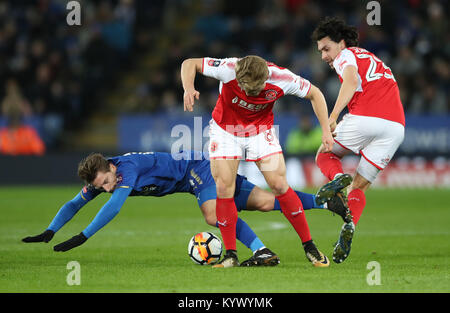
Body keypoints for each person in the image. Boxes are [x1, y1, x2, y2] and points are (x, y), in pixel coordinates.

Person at [22, 151, 348, 267]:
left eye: (106, 181)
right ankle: (326, 201)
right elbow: (73, 203)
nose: (106, 187)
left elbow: (115, 207)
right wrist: (51, 230)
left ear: (110, 166)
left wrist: (83, 236)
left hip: (197, 171)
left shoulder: (127, 170)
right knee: (264, 203)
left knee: (211, 214)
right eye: (102, 185)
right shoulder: (102, 178)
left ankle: (260, 250)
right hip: (192, 178)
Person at [181, 55, 334, 267]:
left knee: (280, 184)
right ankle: (230, 255)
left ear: (265, 79)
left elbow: (315, 93)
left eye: (255, 89)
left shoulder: (282, 77)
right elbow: (190, 63)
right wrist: (189, 88)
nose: (249, 94)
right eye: (245, 88)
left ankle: (310, 246)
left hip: (259, 133)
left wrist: (325, 130)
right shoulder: (228, 68)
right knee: (224, 187)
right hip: (226, 131)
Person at [311, 17, 405, 263]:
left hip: (366, 117)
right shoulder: (372, 58)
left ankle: (336, 177)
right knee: (360, 186)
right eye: (320, 51)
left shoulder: (346, 56)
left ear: (341, 44)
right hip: (396, 127)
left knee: (324, 153)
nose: (323, 56)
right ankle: (350, 225)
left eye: (326, 49)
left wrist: (332, 117)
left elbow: (351, 81)